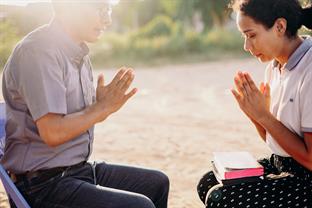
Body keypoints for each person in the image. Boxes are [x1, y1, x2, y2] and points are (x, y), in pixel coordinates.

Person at [1, 1, 169, 208]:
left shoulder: (78, 54)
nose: (107, 19)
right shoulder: (38, 52)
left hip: (76, 170)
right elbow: (52, 132)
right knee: (139, 206)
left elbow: (78, 118)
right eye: (100, 9)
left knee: (157, 183)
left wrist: (98, 105)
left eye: (108, 10)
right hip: (42, 185)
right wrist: (100, 109)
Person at [197, 0, 312, 207]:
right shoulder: (275, 67)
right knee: (207, 182)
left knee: (220, 199)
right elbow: (274, 141)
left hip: (307, 179)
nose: (247, 46)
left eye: (251, 35)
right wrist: (255, 116)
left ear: (279, 27)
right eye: (244, 36)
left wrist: (263, 116)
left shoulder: (309, 69)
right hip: (281, 164)